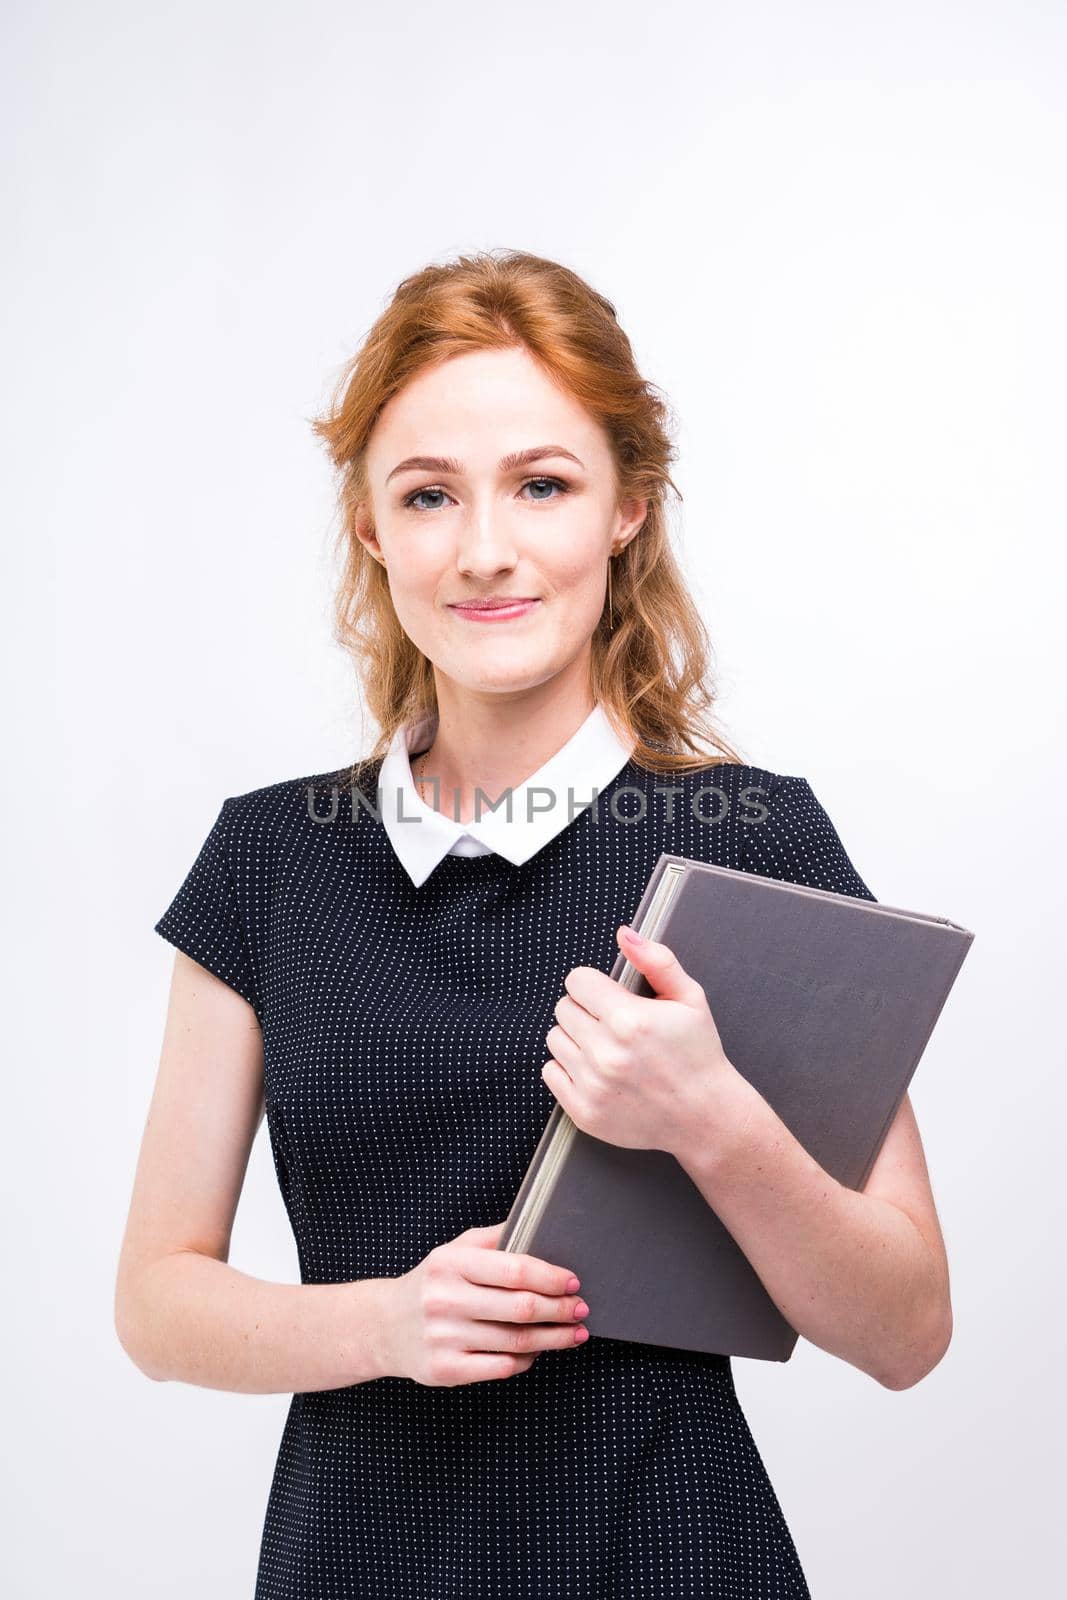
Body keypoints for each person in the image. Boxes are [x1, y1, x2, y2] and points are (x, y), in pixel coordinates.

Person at [115, 249, 953, 1599]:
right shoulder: (268, 862)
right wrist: (388, 1323)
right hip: (355, 1565)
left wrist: (712, 1119)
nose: (486, 548)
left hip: (674, 1559)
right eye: (429, 495)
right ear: (372, 529)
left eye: (543, 485)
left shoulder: (756, 845)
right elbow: (155, 1302)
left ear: (626, 507)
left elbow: (909, 1325)